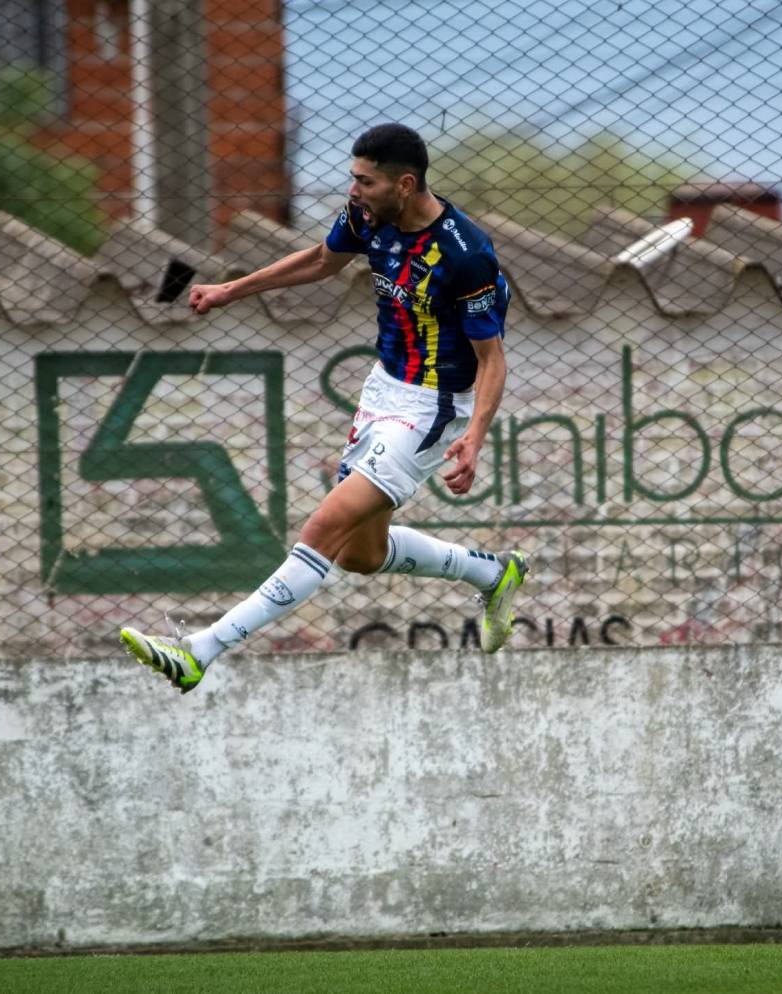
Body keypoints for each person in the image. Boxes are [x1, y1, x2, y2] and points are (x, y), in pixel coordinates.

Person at [120, 122, 527, 693]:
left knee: (324, 527)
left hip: (432, 408)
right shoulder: (368, 217)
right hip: (383, 389)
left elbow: (493, 360)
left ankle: (200, 650)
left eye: (365, 181)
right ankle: (492, 572)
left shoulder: (466, 256)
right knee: (361, 554)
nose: (353, 190)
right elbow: (320, 259)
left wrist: (475, 436)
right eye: (352, 179)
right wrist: (230, 290)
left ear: (405, 185)